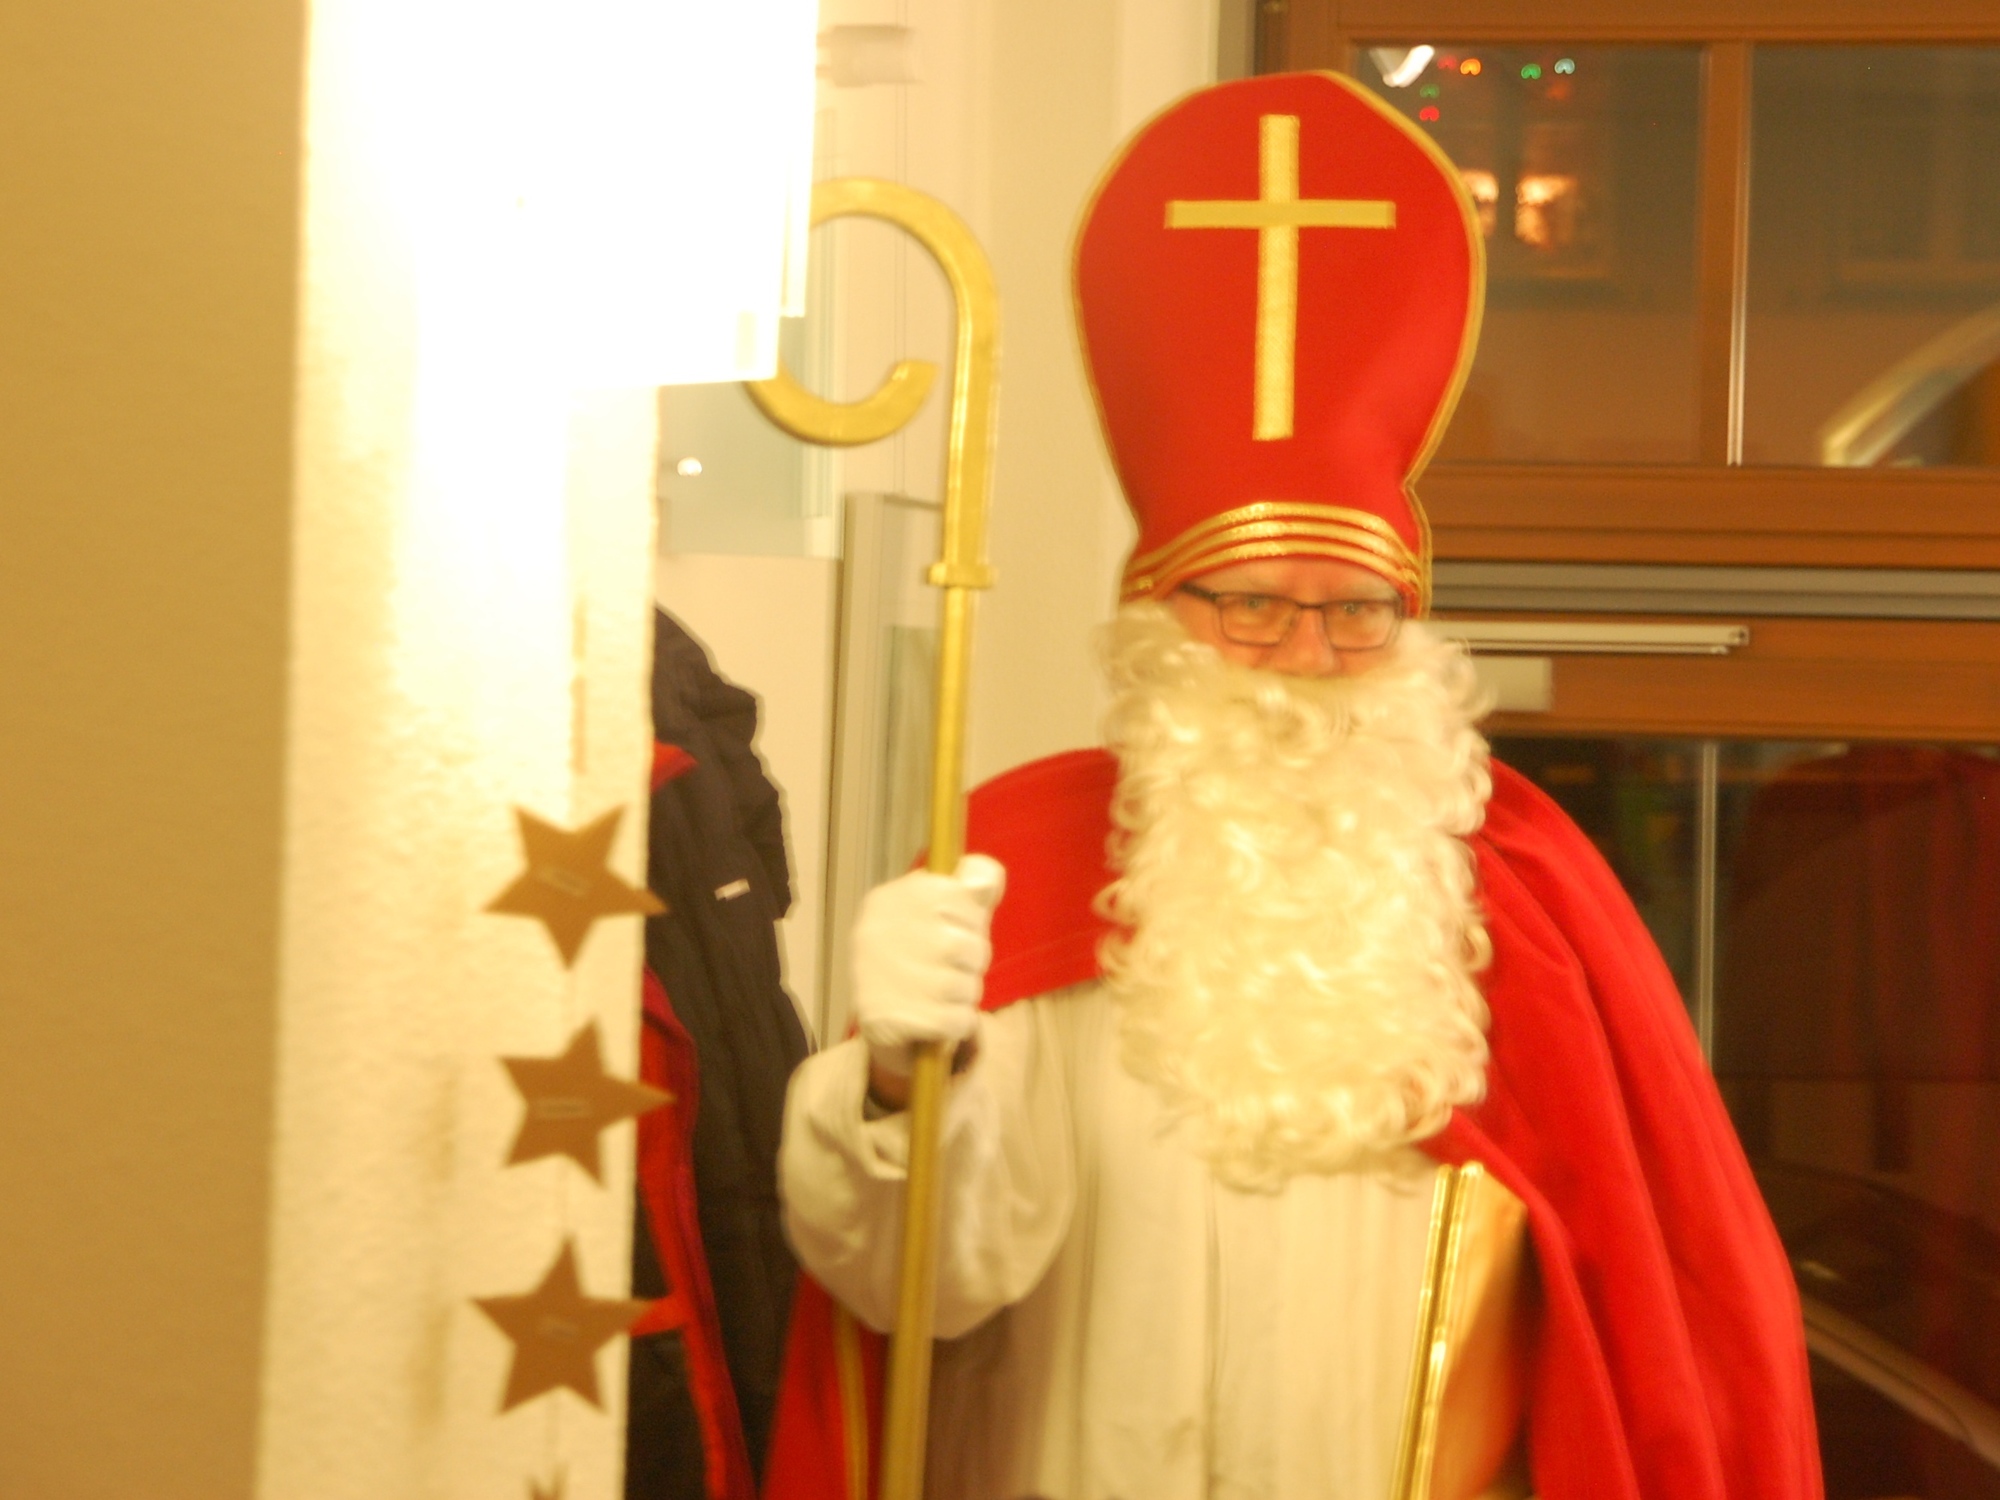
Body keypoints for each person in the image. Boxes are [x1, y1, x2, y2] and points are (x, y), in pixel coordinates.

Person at [768, 73, 1822, 1500]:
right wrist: (903, 1078)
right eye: (1253, 604)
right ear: (1159, 618)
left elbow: (1653, 1327)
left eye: (1356, 611)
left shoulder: (1524, 902)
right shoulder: (1015, 863)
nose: (1308, 656)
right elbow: (925, 1290)